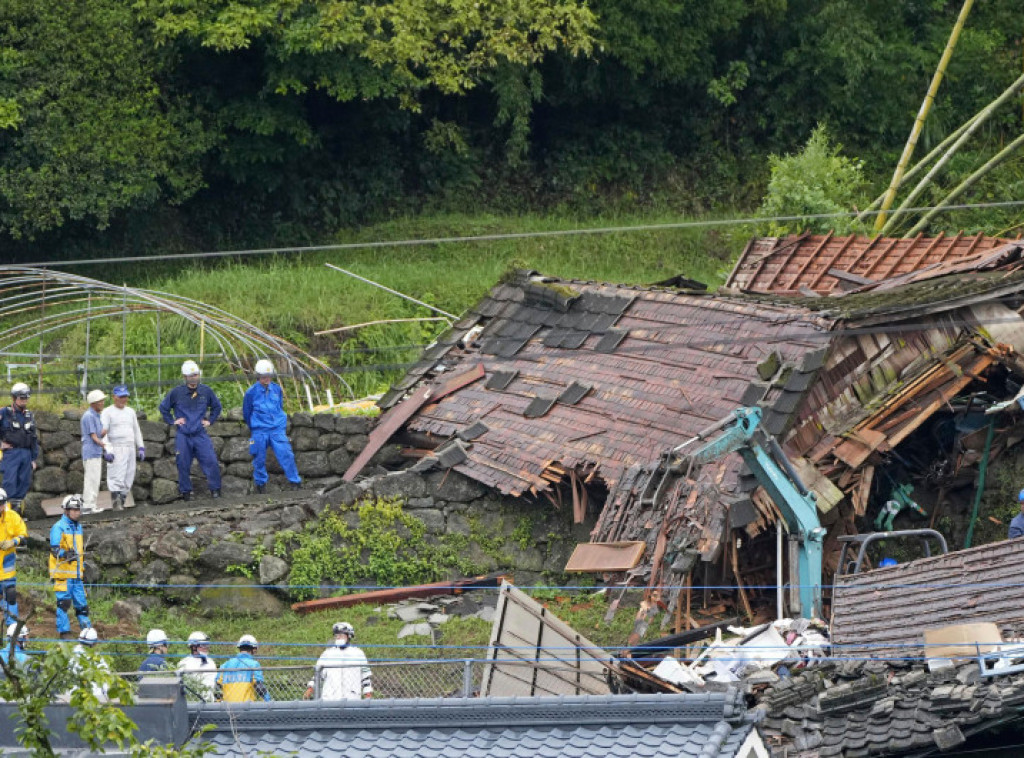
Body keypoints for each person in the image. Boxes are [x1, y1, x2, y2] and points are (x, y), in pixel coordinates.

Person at [158, 360, 222, 501]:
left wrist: (210, 421)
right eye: (191, 376)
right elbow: (163, 408)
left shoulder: (206, 391)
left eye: (196, 375)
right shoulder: (176, 392)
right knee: (182, 463)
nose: (194, 378)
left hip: (200, 434)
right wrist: (172, 421)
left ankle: (216, 491)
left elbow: (217, 407)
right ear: (184, 377)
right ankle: (186, 493)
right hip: (183, 435)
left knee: (210, 461)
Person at [242, 360, 301, 494]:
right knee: (259, 459)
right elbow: (247, 413)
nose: (266, 379)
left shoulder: (276, 389)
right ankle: (261, 486)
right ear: (258, 376)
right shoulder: (251, 393)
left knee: (287, 455)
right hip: (259, 430)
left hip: (276, 429)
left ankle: (295, 482)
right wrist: (255, 427)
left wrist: (279, 423)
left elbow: (280, 407)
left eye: (268, 375)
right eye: (263, 376)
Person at [49, 494, 91, 640]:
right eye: (73, 509)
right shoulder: (58, 527)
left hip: (76, 575)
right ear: (66, 510)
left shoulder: (78, 527)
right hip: (63, 575)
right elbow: (54, 550)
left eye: (78, 510)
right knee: (64, 603)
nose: (77, 512)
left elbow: (79, 553)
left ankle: (87, 632)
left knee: (82, 605)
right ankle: (64, 633)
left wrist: (82, 570)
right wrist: (65, 554)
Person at [101, 385, 145, 511]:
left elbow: (136, 430)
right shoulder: (107, 412)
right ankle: (116, 503)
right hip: (116, 446)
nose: (123, 399)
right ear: (114, 397)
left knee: (129, 474)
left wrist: (141, 447)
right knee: (116, 475)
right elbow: (103, 432)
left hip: (130, 446)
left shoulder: (130, 411)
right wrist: (108, 449)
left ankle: (123, 500)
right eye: (120, 397)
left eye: (125, 396)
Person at [0, 383, 39, 514]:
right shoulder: (4, 413)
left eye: (26, 398)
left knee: (24, 483)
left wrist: (33, 458)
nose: (24, 400)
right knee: (9, 482)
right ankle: (5, 513)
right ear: (14, 398)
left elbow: (33, 438)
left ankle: (17, 514)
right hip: (11, 453)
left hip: (26, 453)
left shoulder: (29, 415)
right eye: (21, 398)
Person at [312, 621, 373, 700]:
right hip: (330, 698)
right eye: (336, 635)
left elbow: (365, 676)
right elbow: (318, 674)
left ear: (349, 636)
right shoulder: (327, 654)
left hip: (351, 698)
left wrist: (367, 693)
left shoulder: (358, 653)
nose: (338, 638)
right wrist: (311, 687)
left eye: (341, 635)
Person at [0, 488, 28, 627]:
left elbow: (23, 536)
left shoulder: (12, 516)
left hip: (6, 561)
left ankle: (12, 625)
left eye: (1, 503)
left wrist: (13, 542)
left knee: (10, 593)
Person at [80, 389, 111, 514]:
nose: (103, 403)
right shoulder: (89, 416)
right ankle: (88, 505)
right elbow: (93, 436)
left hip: (95, 452)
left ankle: (91, 504)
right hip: (91, 451)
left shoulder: (96, 416)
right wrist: (104, 445)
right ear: (94, 403)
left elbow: (99, 433)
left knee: (95, 479)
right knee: (91, 479)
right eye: (100, 401)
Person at [218, 635, 271, 702]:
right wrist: (268, 701)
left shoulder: (225, 665)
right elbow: (259, 687)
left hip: (228, 708)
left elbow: (217, 687)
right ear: (254, 649)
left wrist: (218, 703)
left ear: (239, 648)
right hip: (246, 707)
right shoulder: (254, 665)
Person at [69, 628, 110, 702]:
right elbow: (106, 678)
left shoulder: (70, 654)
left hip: (71, 696)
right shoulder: (97, 659)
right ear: (94, 643)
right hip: (95, 697)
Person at [177, 630, 218, 702]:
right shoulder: (184, 664)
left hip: (209, 704)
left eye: (207, 644)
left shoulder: (211, 662)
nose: (206, 647)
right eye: (203, 645)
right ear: (193, 647)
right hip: (191, 704)